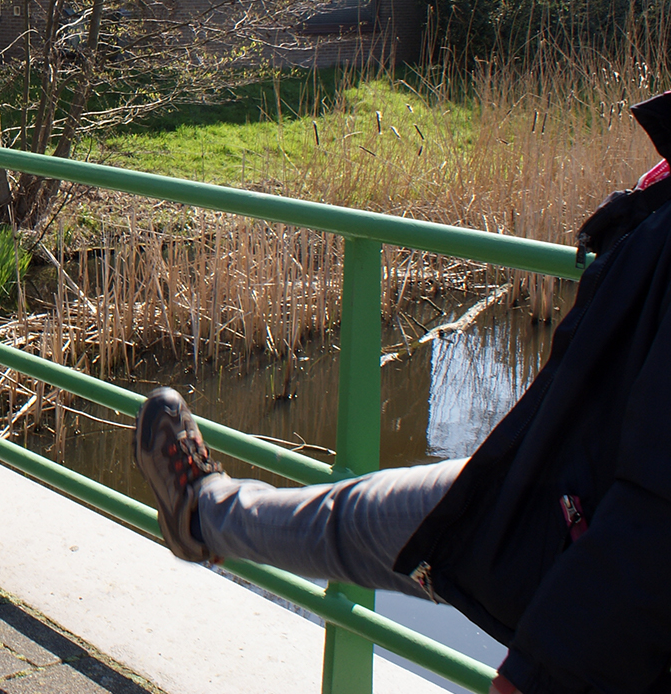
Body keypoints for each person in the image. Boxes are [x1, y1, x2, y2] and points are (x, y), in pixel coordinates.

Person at [134, 93, 671, 694]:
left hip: (578, 536)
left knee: (357, 523)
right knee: (356, 519)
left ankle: (204, 515)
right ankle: (204, 514)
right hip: (560, 489)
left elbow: (658, 510)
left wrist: (544, 672)